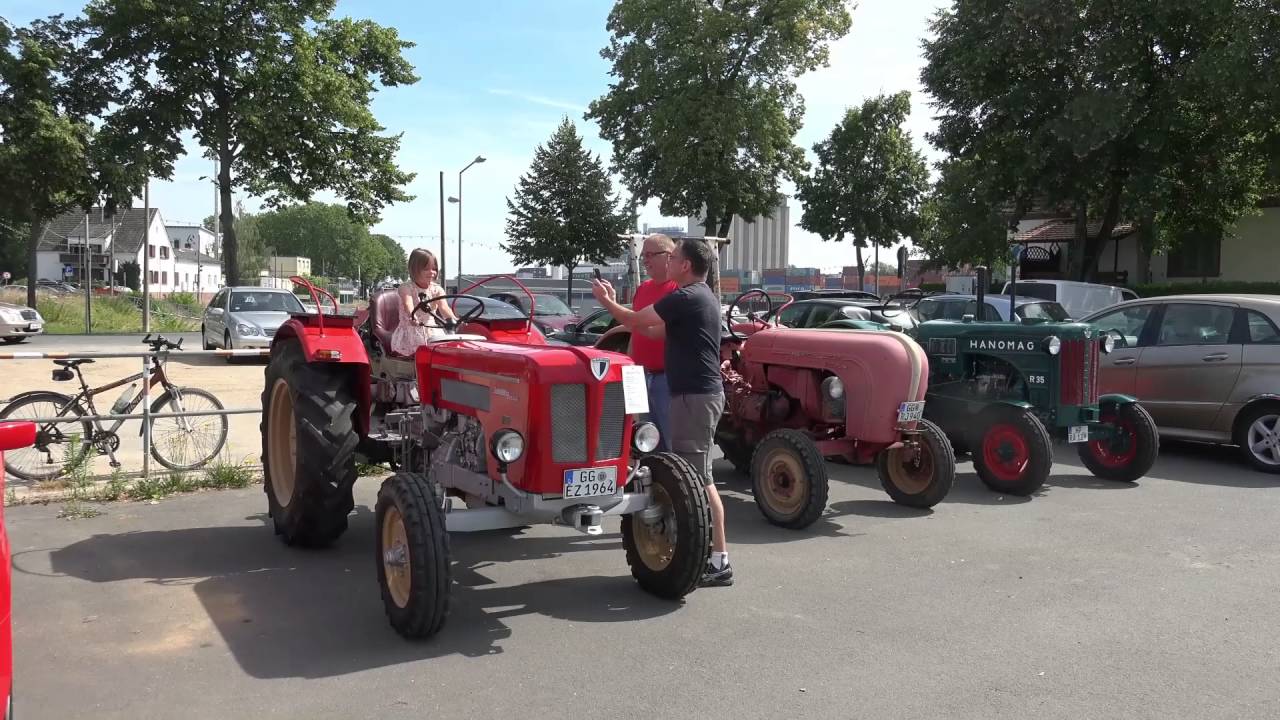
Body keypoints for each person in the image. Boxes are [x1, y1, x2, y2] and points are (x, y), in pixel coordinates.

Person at [592, 238, 733, 587]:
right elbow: (650, 328)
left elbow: (635, 319)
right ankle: (708, 554)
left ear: (685, 265)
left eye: (673, 259)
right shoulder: (700, 299)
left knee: (700, 479)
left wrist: (606, 302)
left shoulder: (686, 296)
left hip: (694, 397)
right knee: (693, 474)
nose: (667, 264)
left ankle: (718, 560)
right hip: (696, 395)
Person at [629, 234, 679, 451]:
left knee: (671, 442)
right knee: (644, 443)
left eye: (650, 255)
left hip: (667, 379)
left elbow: (658, 332)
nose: (645, 260)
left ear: (669, 257)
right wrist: (629, 369)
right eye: (643, 256)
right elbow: (634, 332)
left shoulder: (679, 291)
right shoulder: (642, 289)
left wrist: (611, 306)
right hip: (641, 376)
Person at [391, 248, 457, 356]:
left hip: (432, 330)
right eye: (426, 269)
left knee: (446, 350)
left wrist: (455, 320)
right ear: (414, 269)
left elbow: (444, 308)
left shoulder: (437, 289)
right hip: (411, 330)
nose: (432, 272)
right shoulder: (406, 287)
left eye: (434, 269)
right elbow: (408, 304)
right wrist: (412, 316)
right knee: (425, 353)